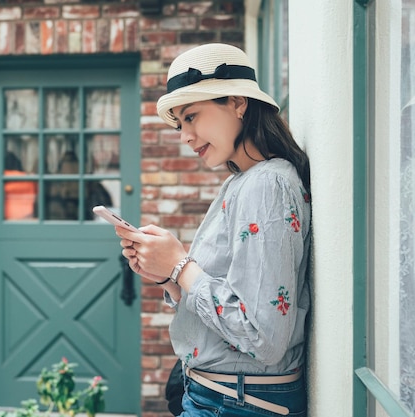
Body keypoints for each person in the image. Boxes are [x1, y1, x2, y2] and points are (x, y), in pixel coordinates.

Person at [116, 43, 311, 416]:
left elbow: (262, 337)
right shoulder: (243, 182)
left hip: (237, 401)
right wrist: (168, 275)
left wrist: (180, 266)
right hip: (224, 395)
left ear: (238, 102)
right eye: (179, 123)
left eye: (191, 116)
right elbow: (232, 299)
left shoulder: (265, 186)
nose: (185, 136)